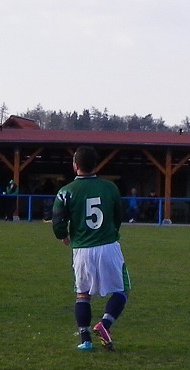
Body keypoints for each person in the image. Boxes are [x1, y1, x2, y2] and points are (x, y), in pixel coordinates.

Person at [52, 146, 131, 352]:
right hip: (108, 246)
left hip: (82, 250)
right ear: (95, 165)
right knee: (123, 290)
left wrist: (63, 237)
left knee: (82, 294)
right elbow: (118, 216)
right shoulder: (110, 188)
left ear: (75, 165)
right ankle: (104, 324)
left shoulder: (66, 191)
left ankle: (85, 340)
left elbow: (58, 221)